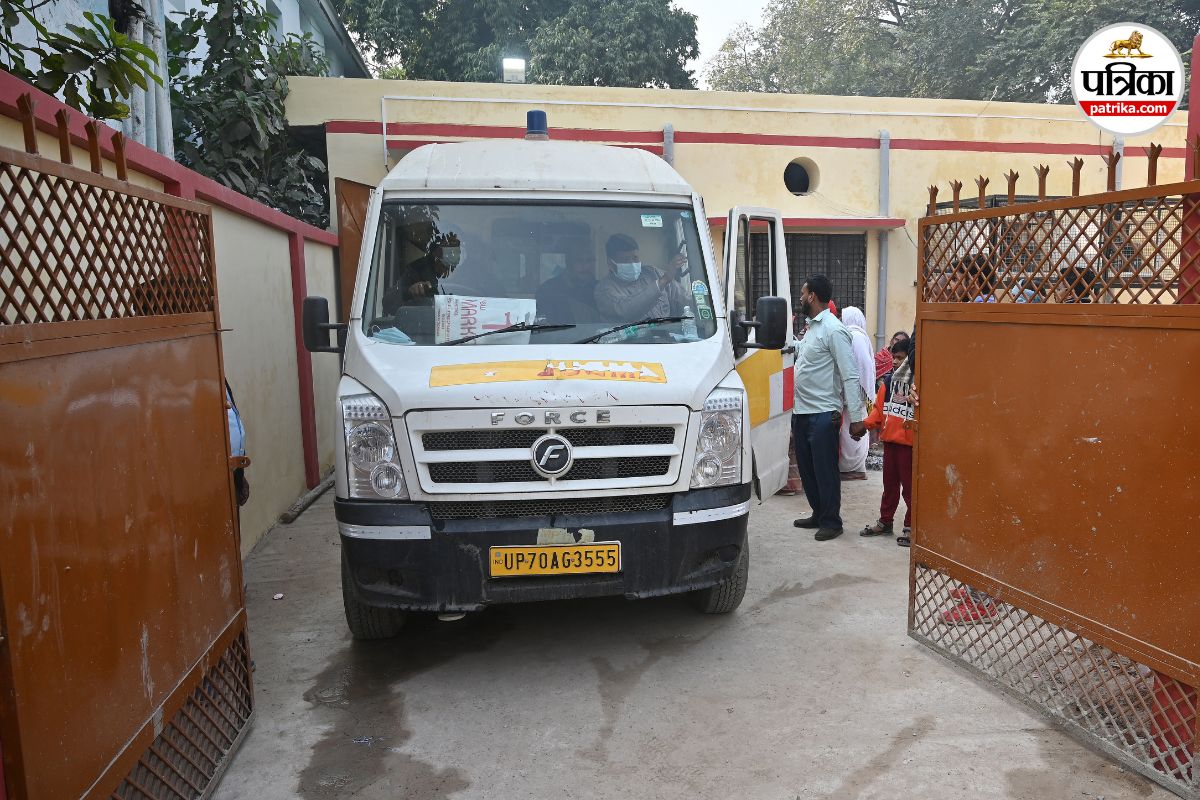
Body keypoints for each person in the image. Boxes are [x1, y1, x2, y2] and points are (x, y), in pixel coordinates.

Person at [791, 275, 867, 541]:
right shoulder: (813, 328)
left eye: (802, 293)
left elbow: (850, 375)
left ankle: (832, 521)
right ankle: (819, 513)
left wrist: (857, 419)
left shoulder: (834, 329)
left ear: (812, 296)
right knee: (808, 468)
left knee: (825, 470)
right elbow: (806, 354)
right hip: (802, 411)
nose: (800, 298)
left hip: (824, 413)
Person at [860, 339, 915, 540]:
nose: (894, 362)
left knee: (910, 490)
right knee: (889, 486)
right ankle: (885, 522)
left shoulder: (917, 384)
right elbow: (878, 412)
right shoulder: (889, 382)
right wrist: (863, 425)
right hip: (890, 444)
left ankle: (911, 527)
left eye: (899, 358)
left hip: (909, 446)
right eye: (893, 357)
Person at [594, 233, 689, 321]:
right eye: (625, 260)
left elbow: (684, 300)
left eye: (635, 258)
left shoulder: (653, 273)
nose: (632, 263)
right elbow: (626, 311)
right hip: (631, 339)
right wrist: (663, 281)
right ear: (611, 263)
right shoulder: (604, 289)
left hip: (666, 337)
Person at [382, 231, 462, 313]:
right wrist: (409, 292)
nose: (454, 251)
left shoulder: (464, 272)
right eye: (449, 245)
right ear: (437, 249)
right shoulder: (416, 270)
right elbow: (387, 304)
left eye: (456, 246)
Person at [838, 306, 875, 480]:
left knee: (852, 431)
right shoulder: (855, 335)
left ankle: (853, 469)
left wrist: (860, 393)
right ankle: (851, 467)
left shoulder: (856, 337)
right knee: (848, 430)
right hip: (854, 392)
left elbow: (863, 366)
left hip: (855, 394)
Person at [537, 247, 598, 323]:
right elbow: (545, 324)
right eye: (579, 261)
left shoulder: (599, 288)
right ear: (569, 263)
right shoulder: (549, 289)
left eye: (589, 261)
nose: (585, 266)